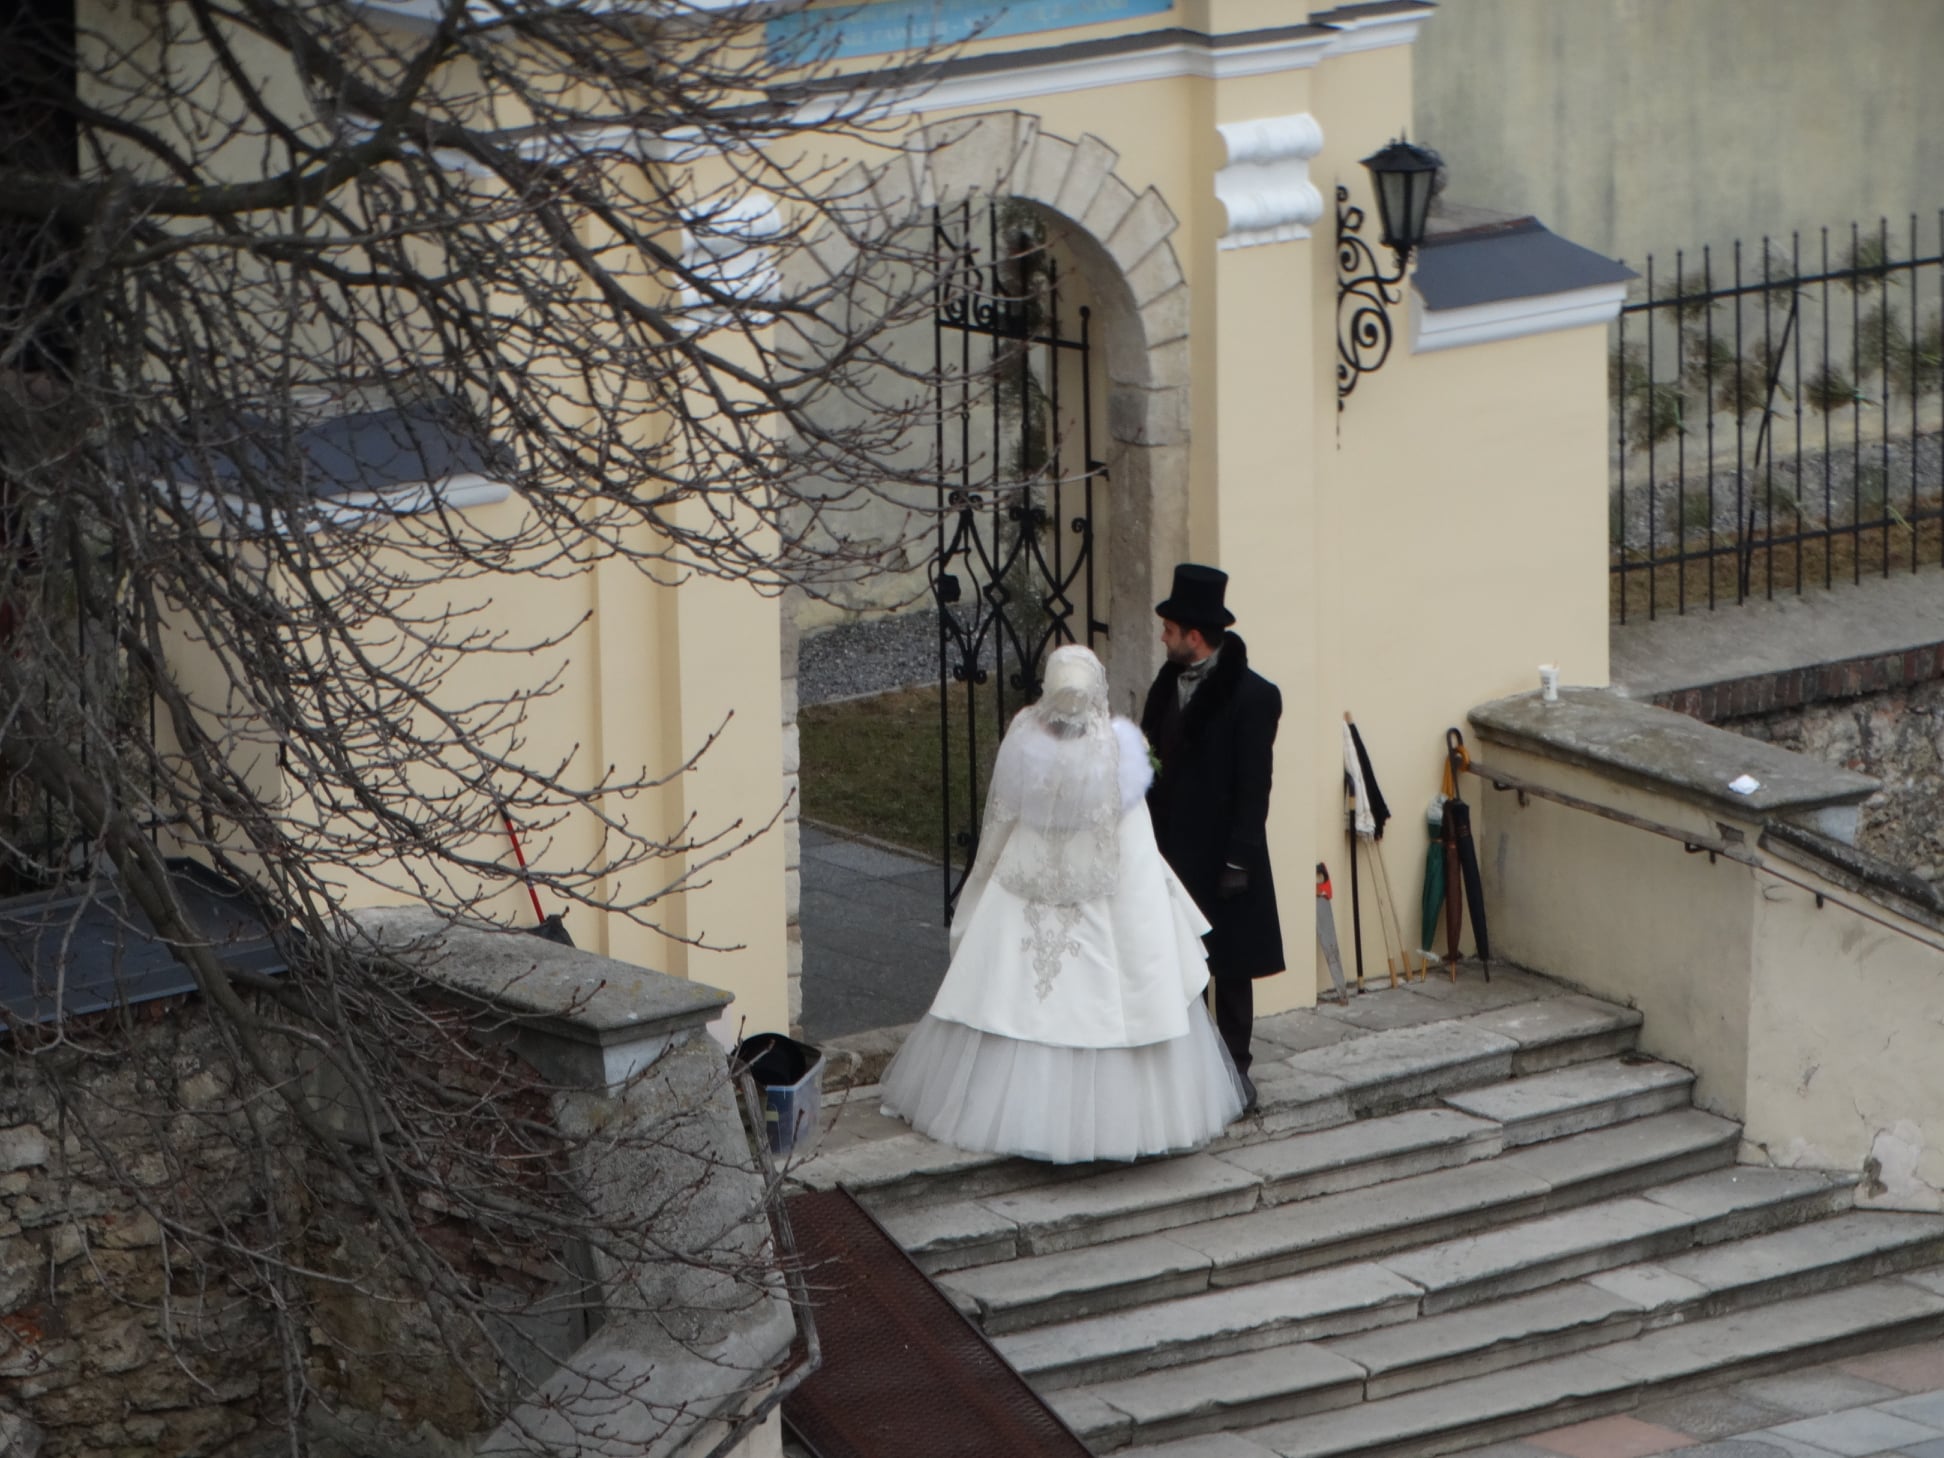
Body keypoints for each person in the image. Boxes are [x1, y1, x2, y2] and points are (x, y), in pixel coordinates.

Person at [879, 644, 1248, 1163]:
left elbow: (999, 817)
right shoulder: (1116, 748)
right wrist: (1150, 910)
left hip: (1026, 887)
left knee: (1011, 996)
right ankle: (1119, 1127)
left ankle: (1017, 1117)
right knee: (1120, 1004)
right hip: (1106, 900)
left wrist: (984, 875)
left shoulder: (1023, 737)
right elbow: (1135, 842)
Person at [1140, 563, 1284, 1105]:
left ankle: (1235, 1070)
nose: (1163, 637)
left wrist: (1239, 861)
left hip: (1225, 856)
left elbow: (1254, 786)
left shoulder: (1253, 696)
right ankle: (1193, 1069)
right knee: (1183, 964)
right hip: (1173, 853)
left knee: (1231, 967)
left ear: (1194, 636)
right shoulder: (1165, 685)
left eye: (1169, 630)